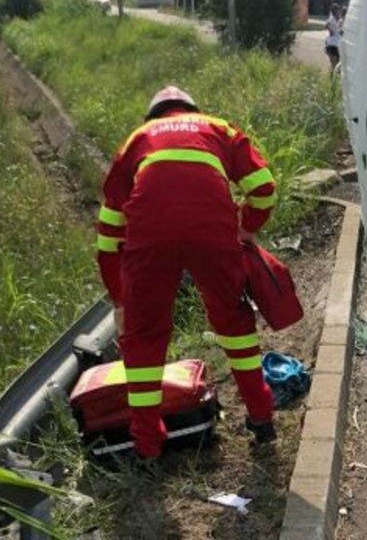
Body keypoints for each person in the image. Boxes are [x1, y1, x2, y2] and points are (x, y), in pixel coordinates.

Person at [95, 85, 279, 459]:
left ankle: (148, 445)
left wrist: (120, 300)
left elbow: (109, 235)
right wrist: (246, 224)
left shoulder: (137, 138)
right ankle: (261, 418)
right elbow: (264, 187)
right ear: (192, 109)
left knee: (145, 336)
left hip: (149, 231)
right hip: (213, 227)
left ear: (154, 115)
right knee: (233, 322)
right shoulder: (218, 128)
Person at [325, 3, 343, 72]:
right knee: (334, 62)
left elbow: (339, 30)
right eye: (337, 9)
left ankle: (332, 76)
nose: (338, 11)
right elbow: (326, 25)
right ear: (334, 10)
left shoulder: (339, 19)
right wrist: (330, 30)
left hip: (337, 43)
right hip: (332, 43)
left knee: (336, 62)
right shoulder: (331, 18)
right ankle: (331, 77)